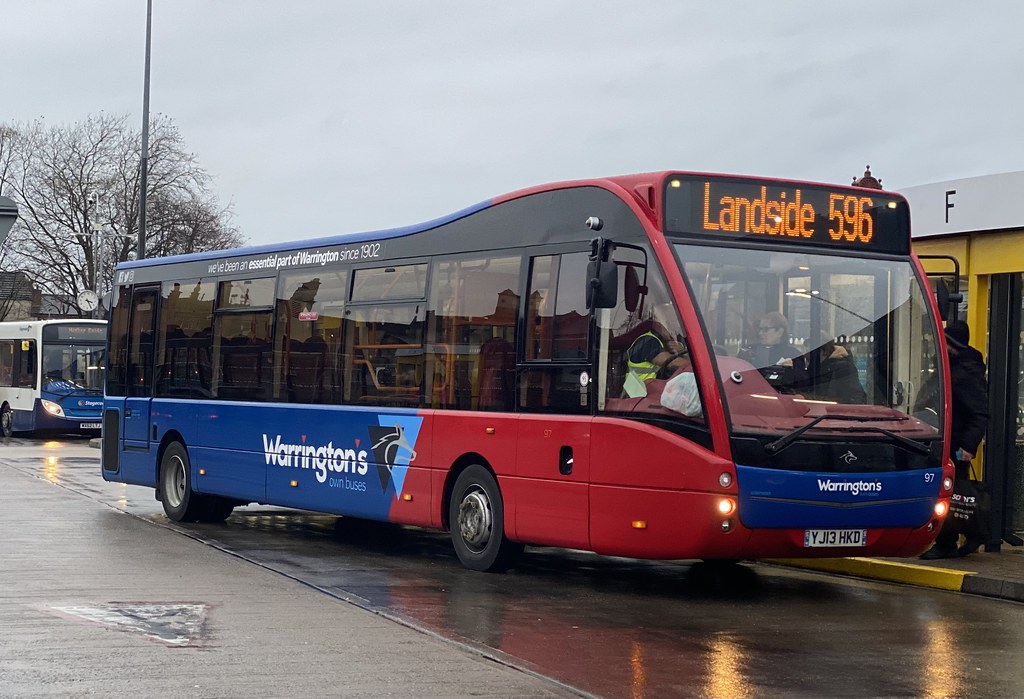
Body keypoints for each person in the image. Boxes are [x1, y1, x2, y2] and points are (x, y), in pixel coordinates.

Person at [921, 319, 990, 559]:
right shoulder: (951, 368)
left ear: (952, 346)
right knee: (953, 494)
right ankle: (966, 535)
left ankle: (949, 542)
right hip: (946, 440)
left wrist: (968, 447)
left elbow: (979, 413)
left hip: (957, 444)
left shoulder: (965, 373)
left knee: (951, 495)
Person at [737, 312, 808, 388]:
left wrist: (792, 371)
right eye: (760, 329)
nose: (760, 333)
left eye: (765, 329)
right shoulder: (748, 351)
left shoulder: (793, 354)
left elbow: (804, 384)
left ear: (780, 332)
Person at [808, 337, 866, 404]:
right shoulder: (815, 368)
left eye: (810, 351)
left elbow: (857, 396)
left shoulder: (842, 367)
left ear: (823, 352)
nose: (806, 354)